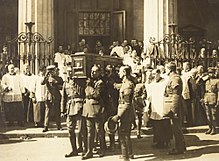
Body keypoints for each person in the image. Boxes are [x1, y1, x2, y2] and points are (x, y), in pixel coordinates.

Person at [82, 64, 106, 160]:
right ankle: (89, 151)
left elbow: (96, 95)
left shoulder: (100, 83)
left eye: (95, 71)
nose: (92, 73)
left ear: (99, 72)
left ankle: (102, 149)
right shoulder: (90, 82)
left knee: (99, 130)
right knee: (89, 131)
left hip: (97, 109)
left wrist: (89, 88)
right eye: (92, 71)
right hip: (88, 109)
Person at [112, 65, 135, 161]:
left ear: (125, 73)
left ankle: (125, 158)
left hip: (125, 114)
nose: (119, 73)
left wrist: (118, 116)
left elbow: (127, 103)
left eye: (120, 71)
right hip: (124, 112)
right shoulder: (125, 83)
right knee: (126, 135)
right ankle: (129, 154)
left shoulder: (127, 85)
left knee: (123, 135)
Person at [61, 66, 84, 157]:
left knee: (81, 129)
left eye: (71, 71)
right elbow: (64, 98)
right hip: (69, 108)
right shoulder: (65, 84)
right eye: (68, 72)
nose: (70, 73)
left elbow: (82, 93)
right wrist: (62, 111)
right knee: (70, 130)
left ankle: (82, 148)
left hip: (79, 107)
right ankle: (74, 149)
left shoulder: (79, 82)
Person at [163, 62, 186, 155]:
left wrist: (174, 110)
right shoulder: (172, 78)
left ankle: (179, 148)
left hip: (176, 106)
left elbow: (176, 95)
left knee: (176, 128)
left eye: (166, 68)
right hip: (174, 105)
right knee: (176, 127)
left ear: (169, 69)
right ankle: (181, 146)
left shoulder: (175, 78)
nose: (165, 70)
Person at [147, 69, 172, 148]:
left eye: (155, 74)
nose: (154, 76)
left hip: (162, 105)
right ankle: (158, 141)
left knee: (164, 124)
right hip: (155, 106)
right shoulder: (153, 83)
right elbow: (150, 94)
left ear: (159, 74)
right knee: (156, 125)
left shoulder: (164, 82)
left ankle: (166, 141)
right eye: (153, 74)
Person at [42, 65, 63, 132]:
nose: (52, 73)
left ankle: (59, 125)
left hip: (56, 96)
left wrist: (57, 84)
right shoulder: (47, 78)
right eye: (50, 71)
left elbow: (62, 87)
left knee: (57, 111)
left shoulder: (59, 78)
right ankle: (46, 126)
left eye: (53, 71)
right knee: (47, 111)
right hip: (48, 97)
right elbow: (42, 83)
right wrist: (46, 75)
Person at [203, 67, 219, 135]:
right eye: (209, 73)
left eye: (211, 73)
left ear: (214, 73)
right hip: (207, 98)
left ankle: (214, 129)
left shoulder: (217, 81)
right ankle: (210, 127)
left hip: (213, 98)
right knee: (208, 115)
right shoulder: (206, 81)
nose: (210, 74)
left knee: (213, 115)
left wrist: (218, 100)